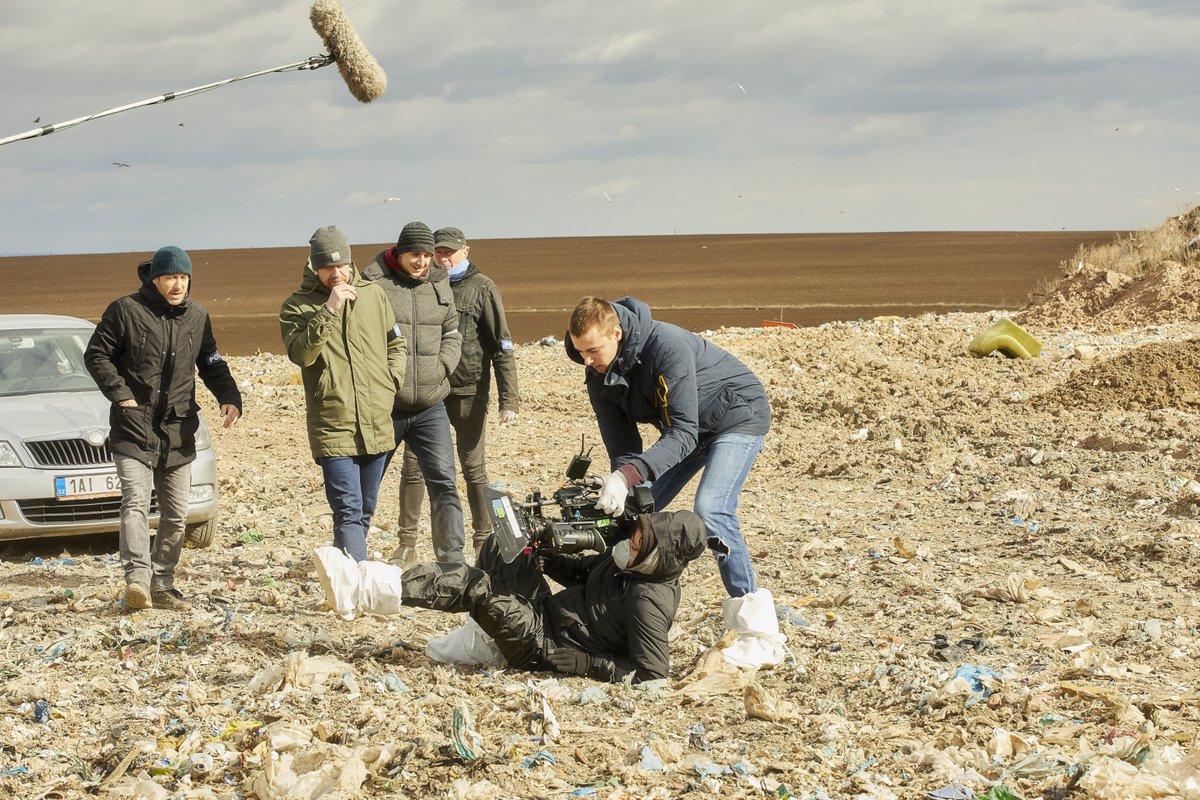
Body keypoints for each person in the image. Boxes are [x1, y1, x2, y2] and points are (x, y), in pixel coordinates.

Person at [565, 296, 771, 598]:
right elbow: (624, 447)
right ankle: (610, 599)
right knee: (633, 508)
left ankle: (751, 611)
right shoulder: (599, 373)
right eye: (581, 351)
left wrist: (626, 477)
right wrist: (620, 485)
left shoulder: (666, 347)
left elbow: (683, 433)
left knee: (711, 509)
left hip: (737, 415)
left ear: (616, 334)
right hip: (688, 430)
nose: (587, 360)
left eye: (593, 350)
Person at [85, 245, 242, 611]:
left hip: (178, 428)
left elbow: (211, 360)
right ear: (154, 278)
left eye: (184, 277)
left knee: (176, 513)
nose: (178, 284)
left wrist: (229, 395)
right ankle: (137, 580)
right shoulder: (126, 311)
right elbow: (97, 354)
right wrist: (121, 395)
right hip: (133, 428)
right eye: (171, 277)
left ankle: (162, 583)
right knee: (135, 504)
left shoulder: (197, 316)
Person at [401, 509, 707, 683]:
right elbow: (580, 572)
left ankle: (385, 588)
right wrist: (543, 553)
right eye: (633, 538)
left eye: (638, 545)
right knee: (504, 543)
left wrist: (588, 664)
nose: (630, 545)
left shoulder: (647, 601)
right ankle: (488, 632)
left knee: (477, 587)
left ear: (658, 558)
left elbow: (653, 674)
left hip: (542, 644)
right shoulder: (628, 564)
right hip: (545, 611)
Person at [279, 226, 407, 562]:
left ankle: (346, 571)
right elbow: (301, 355)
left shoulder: (374, 296)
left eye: (342, 266)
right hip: (333, 423)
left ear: (351, 263)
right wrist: (330, 310)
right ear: (314, 267)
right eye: (327, 268)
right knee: (348, 510)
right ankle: (358, 578)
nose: (336, 274)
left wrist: (389, 382)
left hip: (376, 419)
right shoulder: (297, 306)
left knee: (366, 508)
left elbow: (396, 343)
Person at [397, 226, 520, 557]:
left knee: (472, 466)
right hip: (429, 391)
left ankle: (483, 544)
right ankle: (406, 544)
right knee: (413, 465)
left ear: (466, 251)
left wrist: (509, 400)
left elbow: (502, 346)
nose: (443, 257)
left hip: (468, 391)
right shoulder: (424, 285)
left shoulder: (482, 288)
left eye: (449, 251)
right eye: (438, 251)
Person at [360, 221, 466, 564]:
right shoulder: (373, 283)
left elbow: (452, 331)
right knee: (365, 489)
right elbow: (360, 340)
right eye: (414, 255)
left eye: (425, 254)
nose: (421, 261)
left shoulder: (439, 281)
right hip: (386, 406)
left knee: (445, 484)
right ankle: (353, 562)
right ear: (399, 253)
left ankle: (452, 563)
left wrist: (443, 368)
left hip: (431, 405)